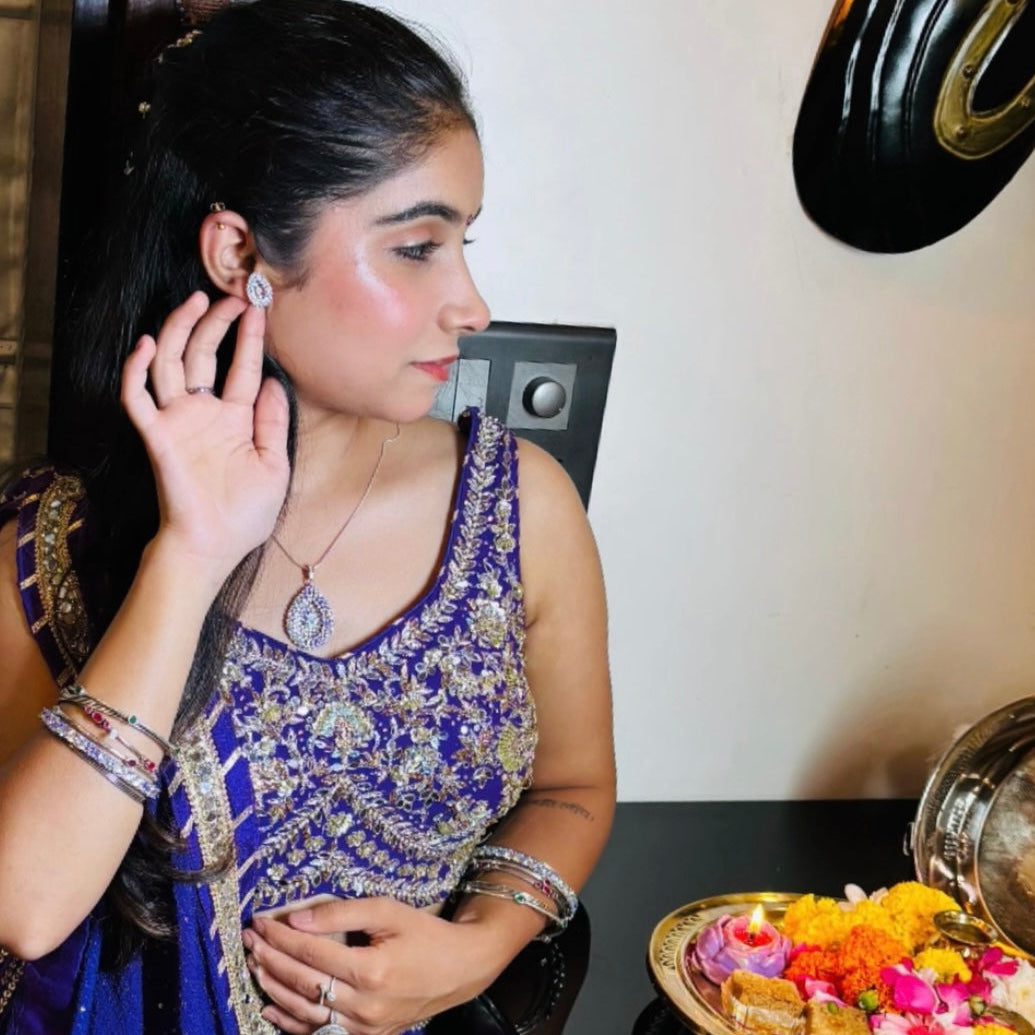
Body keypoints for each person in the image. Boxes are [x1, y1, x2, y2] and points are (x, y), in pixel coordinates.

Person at [0, 1, 615, 1033]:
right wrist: (191, 554)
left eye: (463, 242)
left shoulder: (520, 509)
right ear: (241, 254)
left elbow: (573, 790)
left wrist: (473, 952)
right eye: (417, 247)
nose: (471, 304)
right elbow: (23, 910)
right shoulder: (57, 539)